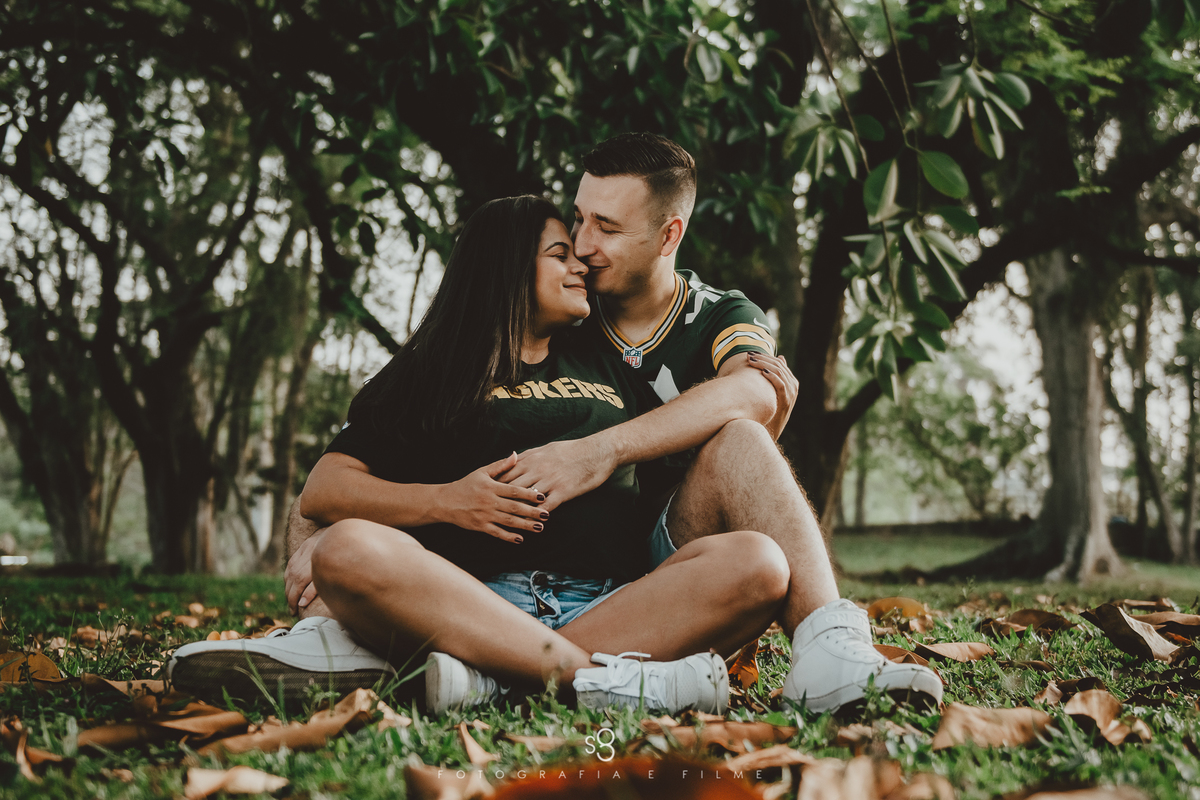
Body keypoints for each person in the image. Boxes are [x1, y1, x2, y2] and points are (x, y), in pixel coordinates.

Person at [168, 195, 793, 715]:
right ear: (506, 269)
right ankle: (598, 684)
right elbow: (327, 488)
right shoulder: (434, 371)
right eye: (559, 255)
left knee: (759, 563)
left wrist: (763, 397)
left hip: (609, 603)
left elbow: (701, 417)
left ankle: (488, 680)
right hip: (471, 601)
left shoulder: (606, 358)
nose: (580, 266)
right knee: (347, 549)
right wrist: (449, 502)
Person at [495, 133, 943, 713]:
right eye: (579, 219)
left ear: (669, 235)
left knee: (741, 437)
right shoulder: (568, 306)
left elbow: (755, 390)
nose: (581, 245)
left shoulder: (720, 313)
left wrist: (599, 451)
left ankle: (831, 651)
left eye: (606, 228)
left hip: (680, 555)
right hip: (570, 563)